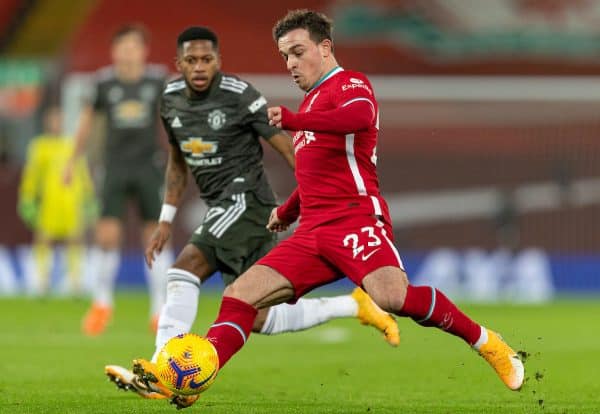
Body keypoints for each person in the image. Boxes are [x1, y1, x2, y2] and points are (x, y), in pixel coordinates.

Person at [152, 10, 525, 409]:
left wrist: (294, 120)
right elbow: (317, 177)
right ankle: (196, 377)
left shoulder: (350, 85)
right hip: (312, 231)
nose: (291, 64)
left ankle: (487, 342)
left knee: (392, 297)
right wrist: (289, 211)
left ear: (325, 48)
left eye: (298, 52)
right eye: (285, 57)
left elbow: (359, 117)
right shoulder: (312, 104)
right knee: (240, 295)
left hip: (354, 218)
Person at [104, 26, 400, 402]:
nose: (199, 67)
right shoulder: (170, 100)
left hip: (249, 202)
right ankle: (352, 304)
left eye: (206, 59)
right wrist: (165, 217)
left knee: (183, 269)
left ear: (218, 62)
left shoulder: (241, 96)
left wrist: (315, 199)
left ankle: (165, 370)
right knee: (257, 315)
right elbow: (178, 162)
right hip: (222, 206)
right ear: (177, 64)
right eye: (191, 60)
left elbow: (294, 149)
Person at [64, 25, 173, 335]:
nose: (128, 52)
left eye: (133, 46)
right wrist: (71, 162)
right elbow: (86, 124)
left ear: (143, 50)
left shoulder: (156, 80)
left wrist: (179, 155)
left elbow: (171, 120)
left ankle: (158, 309)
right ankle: (101, 304)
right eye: (122, 47)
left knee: (154, 237)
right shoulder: (104, 83)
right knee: (106, 235)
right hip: (114, 167)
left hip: (148, 167)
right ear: (114, 51)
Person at [18, 105, 96, 295]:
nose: (56, 124)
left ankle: (76, 281)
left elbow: (83, 172)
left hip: (71, 201)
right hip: (49, 203)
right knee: (44, 239)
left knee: (75, 240)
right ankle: (41, 281)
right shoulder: (39, 146)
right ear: (47, 122)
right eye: (53, 120)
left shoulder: (72, 144)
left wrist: (89, 198)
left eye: (59, 119)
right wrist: (27, 199)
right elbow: (31, 176)